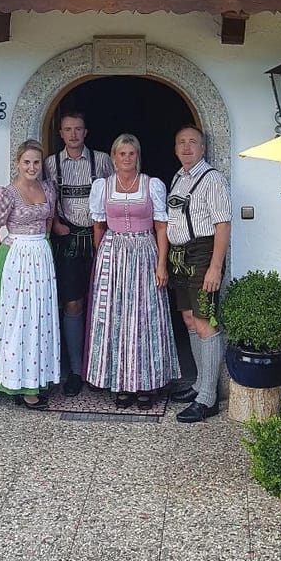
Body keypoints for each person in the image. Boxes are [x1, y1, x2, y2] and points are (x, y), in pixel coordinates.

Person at [85, 133, 180, 408]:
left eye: (131, 153)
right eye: (122, 154)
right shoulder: (103, 186)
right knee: (115, 318)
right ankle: (121, 384)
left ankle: (146, 384)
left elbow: (161, 226)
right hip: (113, 254)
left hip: (144, 252)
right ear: (113, 157)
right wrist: (102, 259)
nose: (127, 158)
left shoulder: (152, 185)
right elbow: (99, 226)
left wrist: (162, 263)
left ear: (138, 156)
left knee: (144, 318)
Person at [0, 139, 60, 409]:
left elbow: (48, 222)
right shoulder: (7, 193)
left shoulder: (48, 189)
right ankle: (20, 385)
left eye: (36, 162)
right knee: (18, 321)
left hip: (41, 256)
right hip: (17, 259)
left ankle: (35, 379)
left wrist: (40, 248)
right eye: (26, 162)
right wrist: (7, 258)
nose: (31, 167)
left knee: (40, 319)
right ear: (17, 163)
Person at [43, 110, 114, 396]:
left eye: (78, 129)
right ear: (60, 133)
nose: (73, 134)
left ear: (86, 132)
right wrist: (55, 224)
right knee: (73, 304)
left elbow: (116, 194)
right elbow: (44, 199)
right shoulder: (50, 164)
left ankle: (104, 367)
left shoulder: (103, 160)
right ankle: (75, 370)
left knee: (105, 303)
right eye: (67, 129)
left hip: (101, 237)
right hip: (69, 238)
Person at [166, 124, 232, 423]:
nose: (186, 147)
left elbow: (222, 224)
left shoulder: (213, 179)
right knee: (190, 319)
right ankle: (199, 385)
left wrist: (216, 266)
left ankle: (208, 398)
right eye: (181, 142)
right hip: (180, 256)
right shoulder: (178, 178)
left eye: (192, 142)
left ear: (203, 148)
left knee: (205, 321)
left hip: (203, 254)